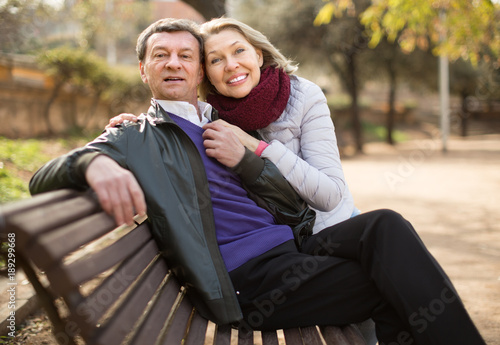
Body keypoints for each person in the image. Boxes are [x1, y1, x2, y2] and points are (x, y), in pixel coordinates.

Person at [30, 18, 486, 345]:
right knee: (396, 285)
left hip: (289, 251)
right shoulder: (133, 136)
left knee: (385, 224)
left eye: (185, 55)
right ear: (144, 71)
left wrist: (248, 158)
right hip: (250, 281)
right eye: (160, 56)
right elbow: (41, 179)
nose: (174, 63)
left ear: (198, 73)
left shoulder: (217, 120)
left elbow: (289, 203)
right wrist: (95, 164)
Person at [108, 17, 359, 235]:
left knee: (387, 228)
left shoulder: (303, 95)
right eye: (216, 60)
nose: (231, 65)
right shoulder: (211, 120)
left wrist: (254, 145)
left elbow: (330, 196)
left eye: (239, 51)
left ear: (258, 55)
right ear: (203, 73)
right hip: (290, 245)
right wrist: (139, 125)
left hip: (337, 227)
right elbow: (173, 115)